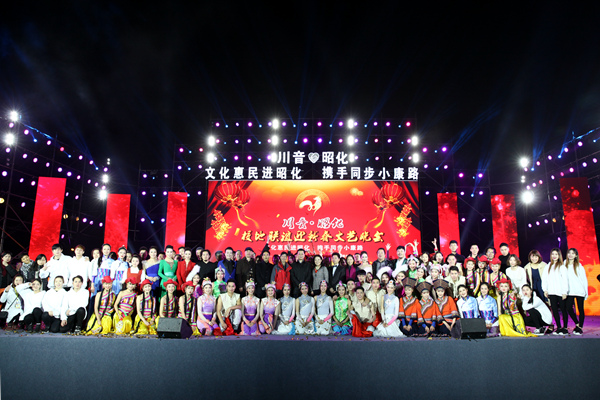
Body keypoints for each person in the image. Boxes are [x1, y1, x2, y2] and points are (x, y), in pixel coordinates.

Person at [542, 248, 569, 335]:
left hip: (560, 292)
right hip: (551, 292)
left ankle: (565, 328)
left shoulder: (562, 266)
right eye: (553, 254)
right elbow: (544, 279)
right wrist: (545, 290)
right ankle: (559, 327)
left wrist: (564, 292)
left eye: (556, 254)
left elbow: (565, 280)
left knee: (563, 309)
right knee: (554, 310)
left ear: (559, 255)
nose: (554, 256)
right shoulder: (548, 266)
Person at [564, 248, 588, 335]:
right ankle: (577, 323)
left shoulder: (579, 266)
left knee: (580, 309)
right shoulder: (564, 264)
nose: (570, 255)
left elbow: (584, 280)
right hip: (569, 290)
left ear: (576, 255)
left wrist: (586, 292)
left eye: (573, 253)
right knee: (568, 307)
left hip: (579, 290)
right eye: (569, 253)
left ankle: (580, 327)